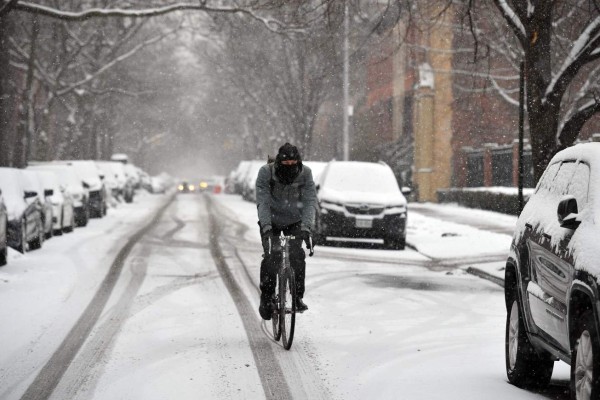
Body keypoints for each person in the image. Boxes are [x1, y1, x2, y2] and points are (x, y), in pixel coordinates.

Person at [255, 142, 316, 320]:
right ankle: (267, 298)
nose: (290, 168)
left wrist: (306, 227)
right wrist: (266, 228)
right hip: (271, 220)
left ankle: (297, 297)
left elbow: (310, 202)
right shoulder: (266, 172)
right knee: (271, 257)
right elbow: (263, 201)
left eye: (293, 164)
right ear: (278, 163)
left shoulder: (306, 174)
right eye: (286, 164)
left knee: (297, 255)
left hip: (295, 220)